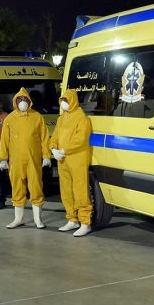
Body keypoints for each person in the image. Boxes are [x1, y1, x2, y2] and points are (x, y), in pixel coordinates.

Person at [0, 88, 51, 229]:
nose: (22, 102)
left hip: (33, 160)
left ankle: (37, 219)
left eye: (25, 100)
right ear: (16, 102)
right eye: (20, 100)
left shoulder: (37, 117)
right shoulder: (10, 119)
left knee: (36, 187)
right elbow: (4, 140)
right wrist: (3, 158)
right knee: (17, 188)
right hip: (15, 161)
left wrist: (47, 155)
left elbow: (45, 138)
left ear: (30, 101)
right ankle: (19, 218)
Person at [50, 89, 94, 237]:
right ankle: (72, 219)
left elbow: (80, 138)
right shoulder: (61, 119)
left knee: (80, 190)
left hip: (77, 159)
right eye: (62, 100)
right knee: (66, 190)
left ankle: (85, 222)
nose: (64, 103)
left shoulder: (82, 118)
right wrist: (53, 148)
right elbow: (55, 135)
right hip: (63, 160)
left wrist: (64, 149)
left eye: (66, 100)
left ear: (73, 101)